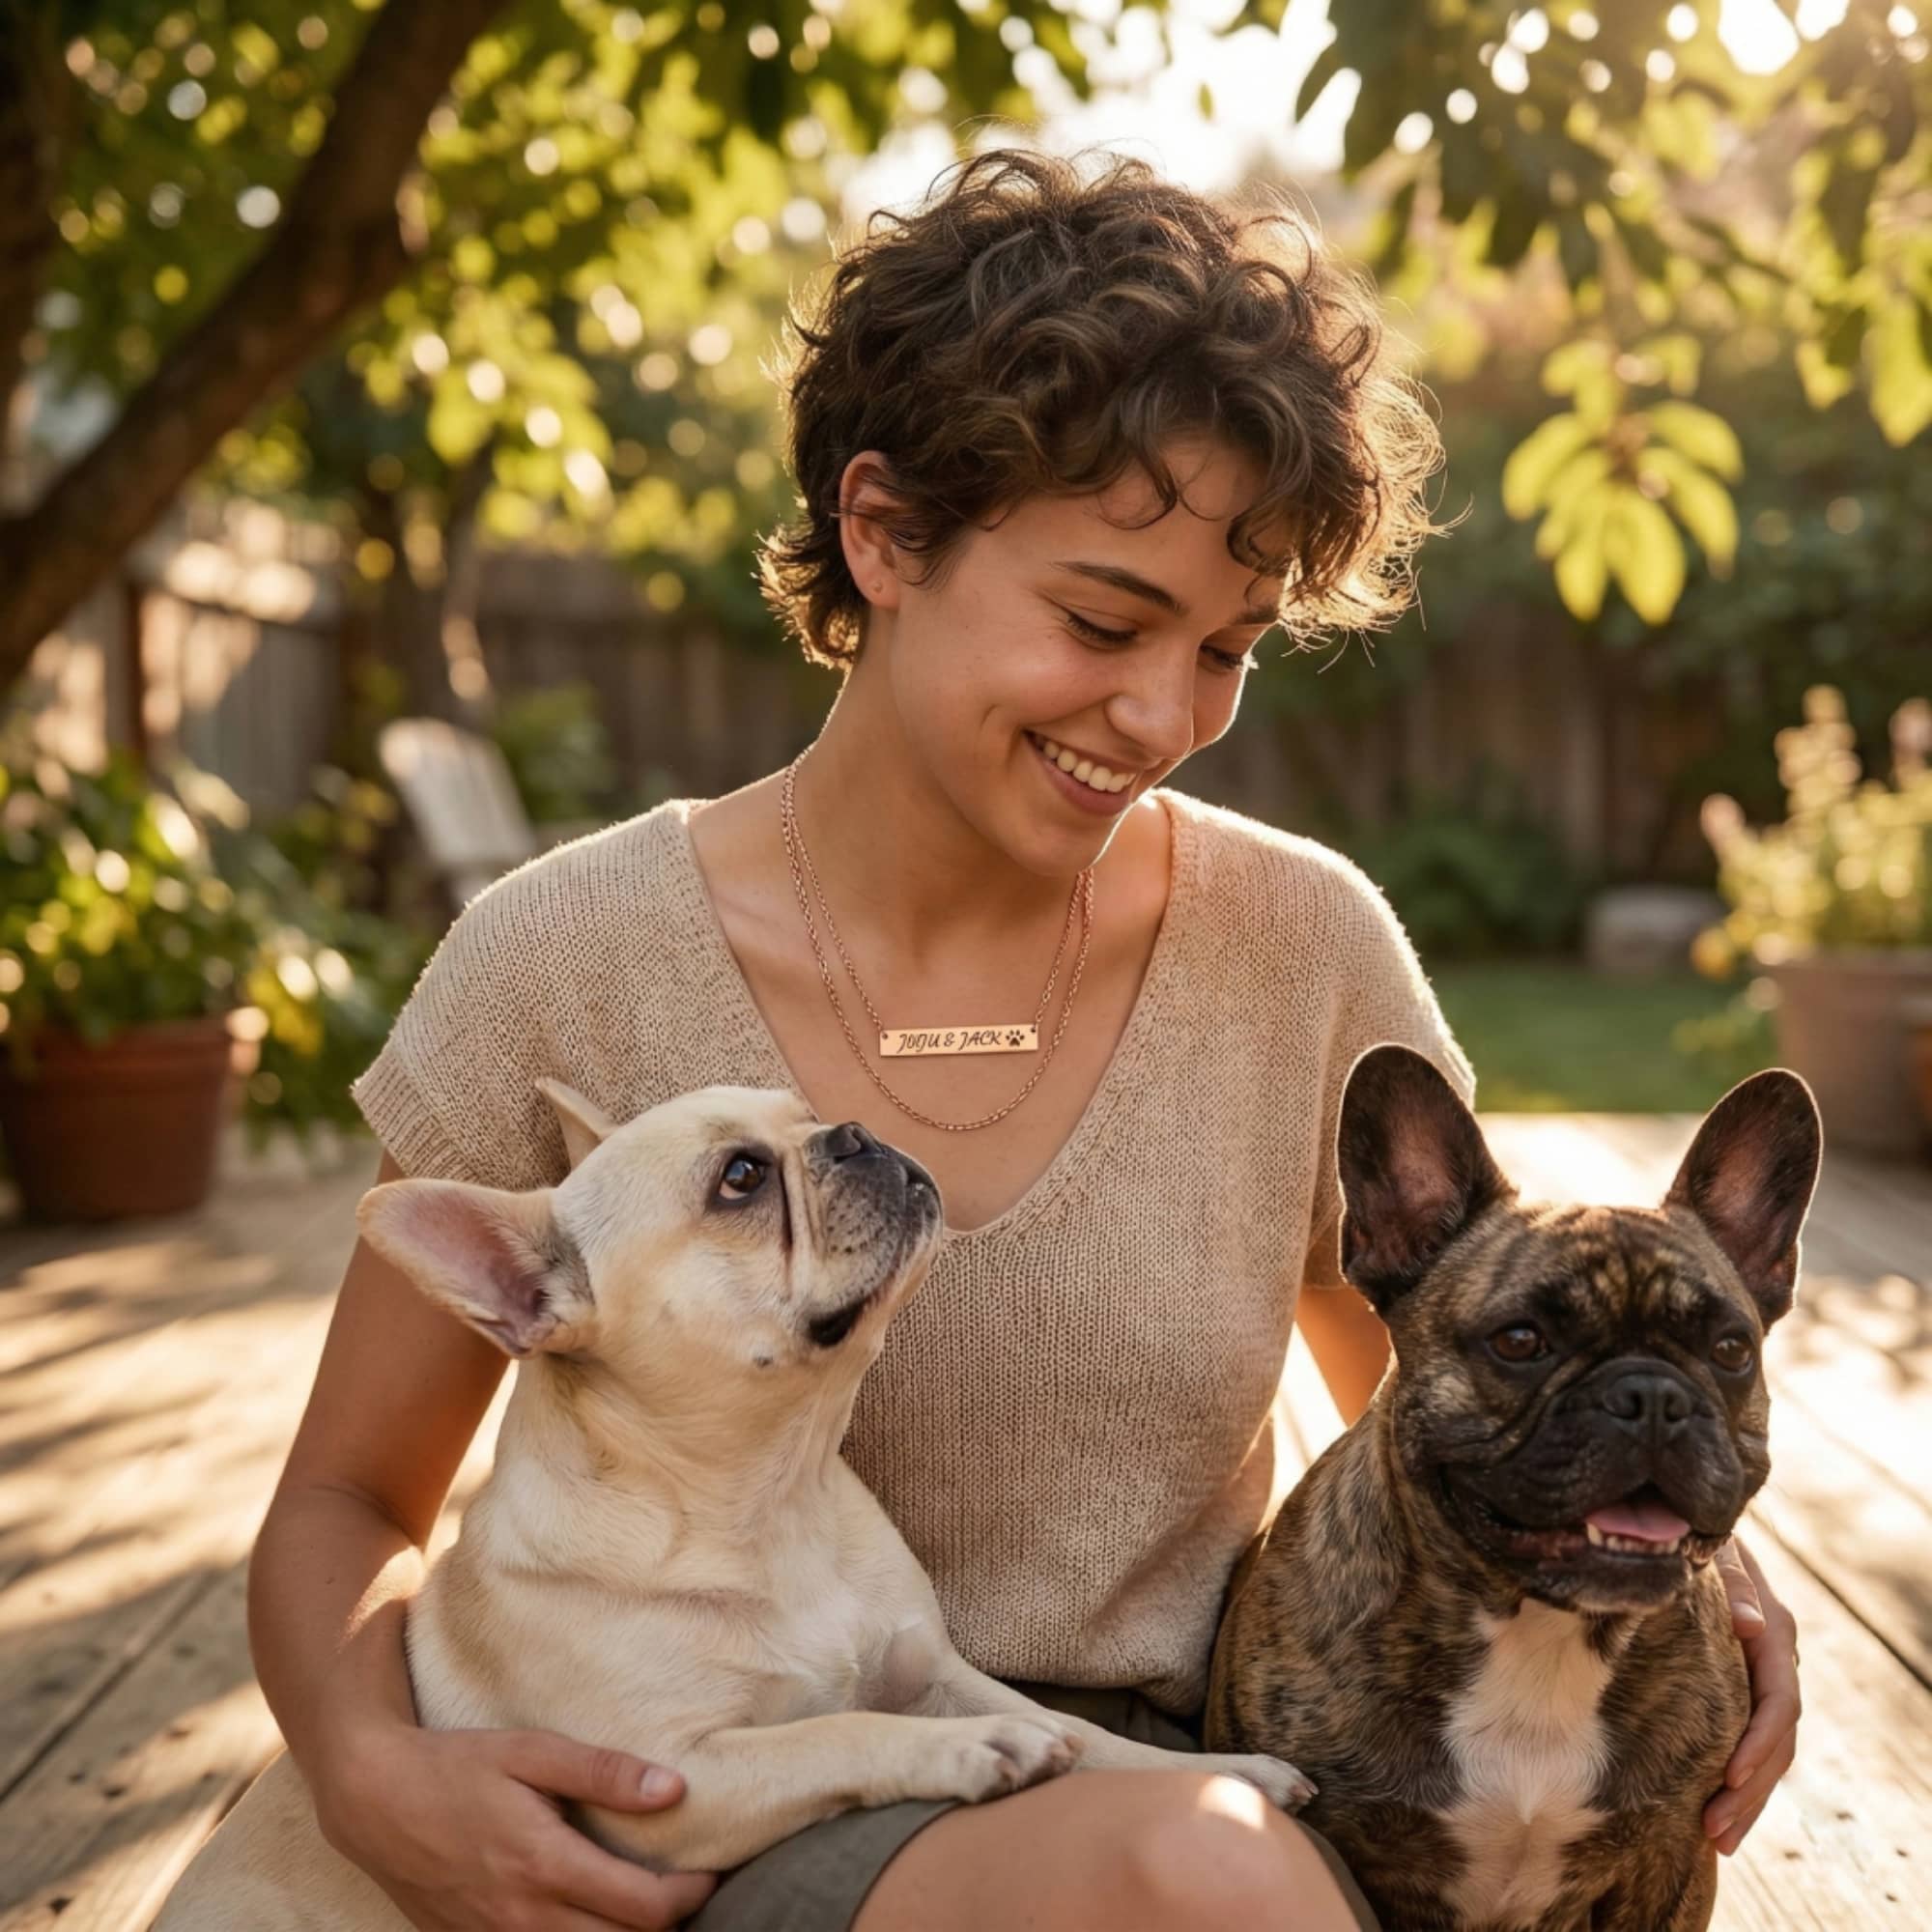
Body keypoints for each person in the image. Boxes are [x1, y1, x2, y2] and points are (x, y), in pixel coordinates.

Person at [246, 148, 1801, 1932]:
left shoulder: (1302, 947)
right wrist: (375, 1779)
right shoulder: (562, 961)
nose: (1163, 716)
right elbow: (352, 1495)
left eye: (1228, 647)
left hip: (1210, 1765)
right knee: (1194, 1883)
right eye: (1101, 619)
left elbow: (1466, 1403)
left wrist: (1685, 1561)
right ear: (884, 531)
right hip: (756, 1802)